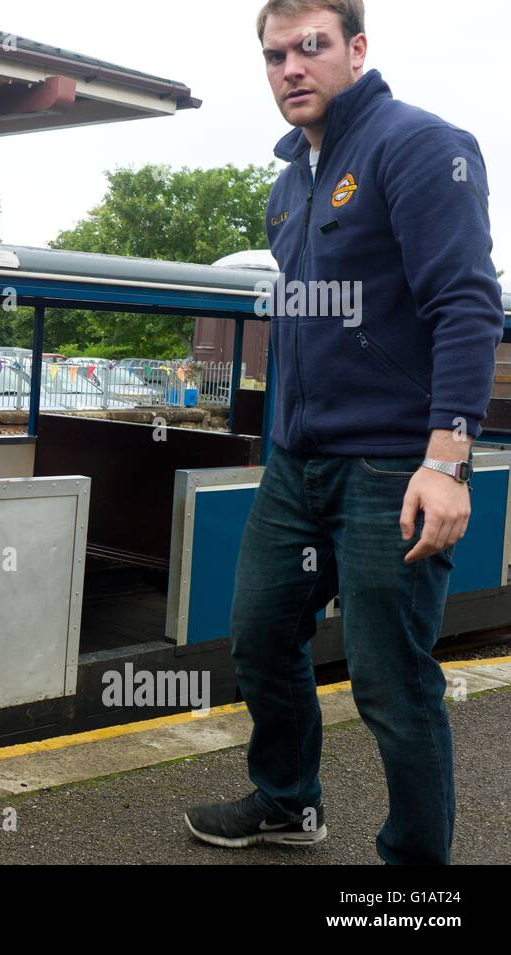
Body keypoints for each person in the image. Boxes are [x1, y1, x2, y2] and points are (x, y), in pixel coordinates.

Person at [184, 0, 503, 864]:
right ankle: (288, 803)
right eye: (274, 54)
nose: (291, 67)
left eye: (311, 47)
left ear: (355, 50)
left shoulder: (421, 145)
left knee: (391, 682)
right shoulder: (288, 186)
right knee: (257, 634)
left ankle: (415, 874)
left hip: (394, 465)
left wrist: (449, 460)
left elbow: (468, 306)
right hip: (299, 465)